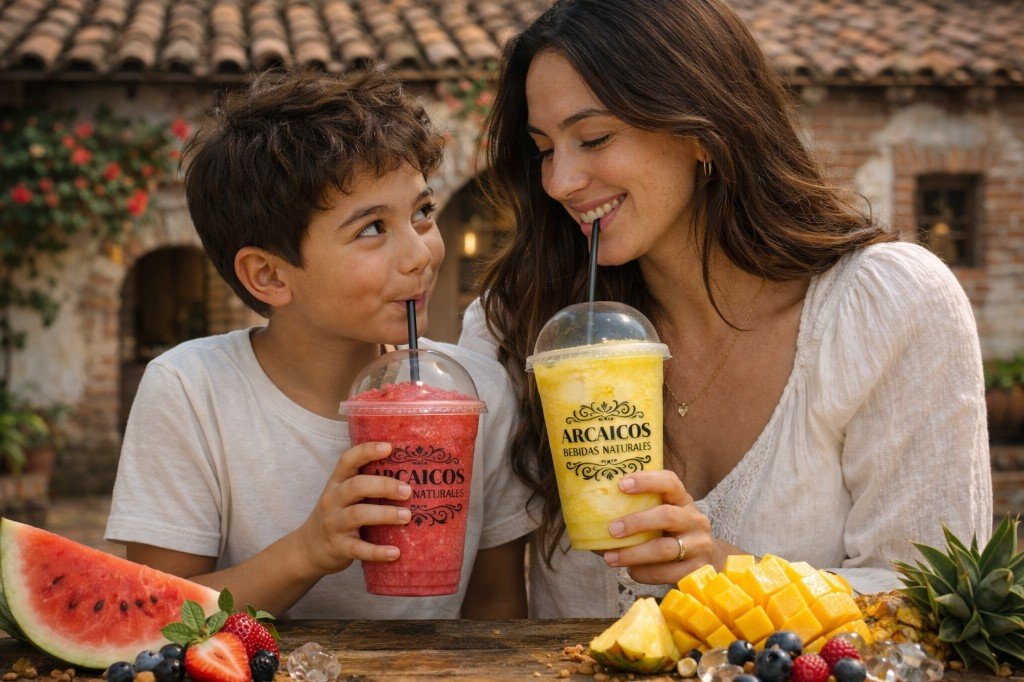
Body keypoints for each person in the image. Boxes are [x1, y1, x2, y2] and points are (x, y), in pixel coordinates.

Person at [459, 0, 992, 618]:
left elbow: (936, 604)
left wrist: (724, 572)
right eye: (544, 148)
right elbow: (477, 597)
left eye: (595, 137)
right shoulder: (519, 319)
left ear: (701, 134)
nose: (559, 181)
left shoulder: (889, 309)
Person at [105, 69, 531, 619]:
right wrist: (307, 552)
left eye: (422, 213)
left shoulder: (481, 392)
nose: (421, 254)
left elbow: (496, 606)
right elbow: (157, 615)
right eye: (372, 228)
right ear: (269, 277)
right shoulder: (192, 392)